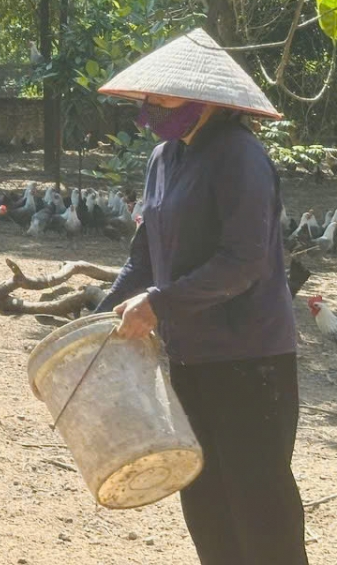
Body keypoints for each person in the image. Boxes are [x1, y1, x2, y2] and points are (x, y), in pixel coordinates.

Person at [95, 28, 308, 565]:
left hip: (249, 361)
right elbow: (143, 260)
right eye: (149, 98)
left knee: (262, 512)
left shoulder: (240, 156)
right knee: (208, 508)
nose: (149, 109)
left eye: (161, 99)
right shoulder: (164, 160)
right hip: (189, 360)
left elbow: (243, 262)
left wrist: (159, 305)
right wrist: (91, 323)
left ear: (205, 102)